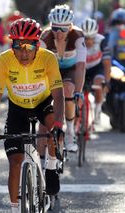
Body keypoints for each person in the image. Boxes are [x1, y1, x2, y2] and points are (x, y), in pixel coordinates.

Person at [0, 18, 65, 213]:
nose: (23, 52)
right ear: (11, 45)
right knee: (14, 163)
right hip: (17, 108)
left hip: (42, 103)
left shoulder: (48, 58)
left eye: (29, 46)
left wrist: (59, 125)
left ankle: (52, 166)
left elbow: (58, 94)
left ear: (37, 44)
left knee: (52, 128)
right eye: (17, 46)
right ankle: (14, 209)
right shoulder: (4, 60)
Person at [39, 4, 87, 152]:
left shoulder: (77, 36)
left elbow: (81, 66)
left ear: (70, 27)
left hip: (71, 70)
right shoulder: (45, 36)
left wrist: (78, 91)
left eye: (64, 29)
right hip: (52, 70)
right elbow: (38, 67)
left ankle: (70, 132)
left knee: (69, 90)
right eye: (55, 28)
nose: (59, 33)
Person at [81, 17, 111, 124]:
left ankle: (98, 110)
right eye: (86, 38)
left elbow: (107, 63)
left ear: (96, 35)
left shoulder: (102, 41)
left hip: (97, 68)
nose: (88, 41)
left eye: (91, 38)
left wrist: (107, 82)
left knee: (98, 84)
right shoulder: (77, 40)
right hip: (82, 67)